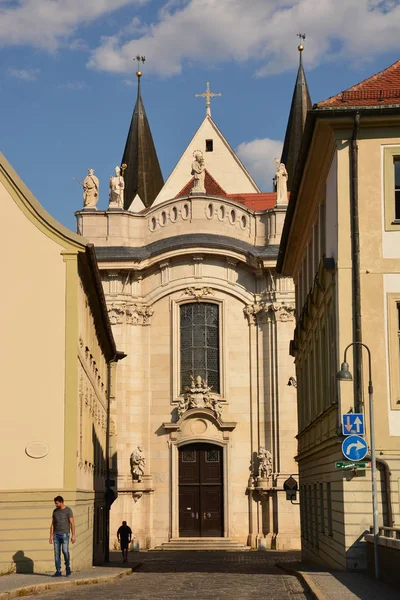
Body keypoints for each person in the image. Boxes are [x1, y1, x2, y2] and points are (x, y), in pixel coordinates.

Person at [49, 496, 75, 577]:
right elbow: (52, 524)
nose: (55, 505)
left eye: (57, 503)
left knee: (65, 551)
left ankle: (67, 567)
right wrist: (51, 536)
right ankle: (58, 570)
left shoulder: (68, 510)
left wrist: (73, 535)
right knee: (57, 553)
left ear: (61, 502)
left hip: (65, 534)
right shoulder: (55, 511)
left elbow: (72, 523)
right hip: (56, 535)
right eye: (55, 503)